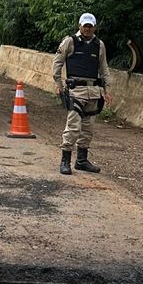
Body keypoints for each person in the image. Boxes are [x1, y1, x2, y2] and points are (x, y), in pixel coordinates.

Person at [52, 13, 112, 175]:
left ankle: (82, 160)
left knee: (88, 128)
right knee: (73, 127)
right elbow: (57, 63)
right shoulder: (69, 42)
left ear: (94, 27)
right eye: (85, 25)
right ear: (79, 26)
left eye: (90, 26)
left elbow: (104, 68)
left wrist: (107, 90)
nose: (87, 28)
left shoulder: (99, 45)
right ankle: (65, 161)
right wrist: (58, 84)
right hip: (75, 91)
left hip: (93, 92)